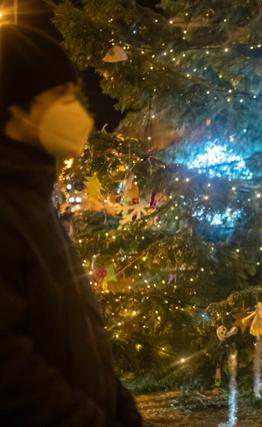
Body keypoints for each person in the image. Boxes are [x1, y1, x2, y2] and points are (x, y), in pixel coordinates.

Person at [0, 24, 142, 426]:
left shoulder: (33, 198)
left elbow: (75, 326)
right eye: (60, 96)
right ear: (17, 109)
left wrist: (119, 404)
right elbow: (10, 370)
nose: (76, 110)